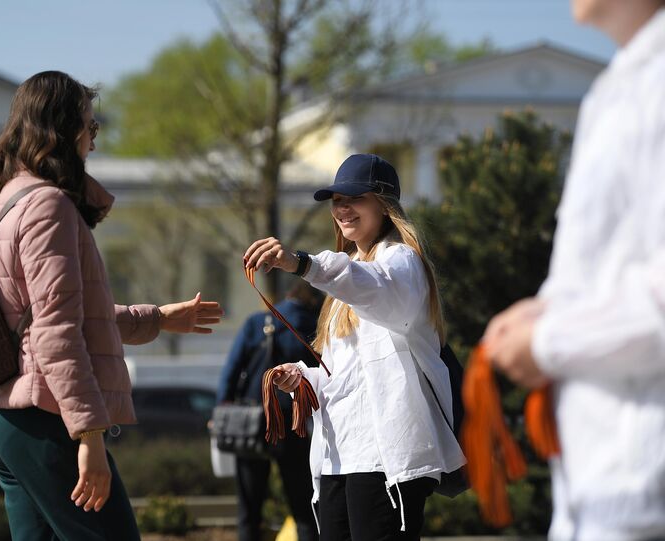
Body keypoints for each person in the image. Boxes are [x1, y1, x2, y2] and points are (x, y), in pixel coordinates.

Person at [0, 71, 224, 541]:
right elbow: (55, 333)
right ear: (65, 130)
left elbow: (52, 320)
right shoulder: (48, 206)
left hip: (8, 420)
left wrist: (158, 318)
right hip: (47, 421)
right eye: (92, 127)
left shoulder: (6, 201)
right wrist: (88, 435)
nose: (93, 140)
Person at [483, 1, 665, 539]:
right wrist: (544, 309)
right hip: (602, 485)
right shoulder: (617, 86)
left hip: (645, 486)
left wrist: (546, 341)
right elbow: (608, 264)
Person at [243, 154, 466, 541]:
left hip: (386, 456)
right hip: (338, 455)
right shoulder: (345, 277)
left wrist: (301, 264)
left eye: (354, 198)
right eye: (336, 200)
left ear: (384, 204)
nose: (342, 208)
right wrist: (304, 378)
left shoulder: (401, 262)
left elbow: (376, 287)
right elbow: (347, 374)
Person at [217, 280, 323, 541]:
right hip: (293, 422)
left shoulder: (257, 322)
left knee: (250, 508)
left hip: (252, 422)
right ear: (313, 301)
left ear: (288, 295)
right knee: (303, 506)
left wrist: (223, 405)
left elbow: (230, 371)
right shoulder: (313, 325)